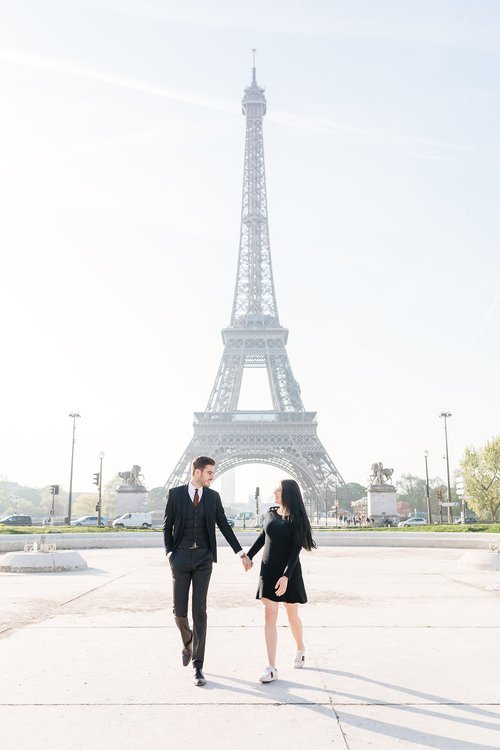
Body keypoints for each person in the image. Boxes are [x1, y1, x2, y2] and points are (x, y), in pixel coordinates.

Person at [163, 456, 251, 687]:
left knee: (199, 611)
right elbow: (167, 526)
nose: (213, 476)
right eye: (210, 472)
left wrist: (241, 554)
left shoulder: (213, 497)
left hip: (203, 559)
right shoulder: (175, 494)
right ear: (197, 471)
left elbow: (223, 526)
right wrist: (170, 554)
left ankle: (198, 666)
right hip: (180, 558)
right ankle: (187, 640)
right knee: (179, 611)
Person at [246, 478, 316, 683]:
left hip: (289, 572)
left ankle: (300, 648)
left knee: (292, 616)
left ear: (288, 493)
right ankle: (271, 667)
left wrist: (286, 576)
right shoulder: (271, 512)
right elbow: (263, 537)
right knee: (269, 615)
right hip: (268, 570)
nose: (275, 491)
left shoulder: (298, 519)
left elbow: (295, 552)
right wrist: (249, 556)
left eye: (278, 489)